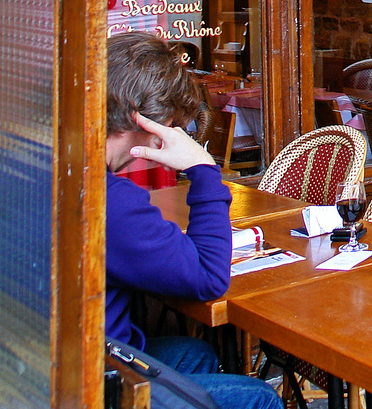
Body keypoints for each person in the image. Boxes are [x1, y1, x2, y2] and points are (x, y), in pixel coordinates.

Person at [105, 32, 281, 409]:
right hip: (90, 381)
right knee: (258, 398)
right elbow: (208, 277)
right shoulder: (105, 201)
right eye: (168, 125)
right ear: (143, 118)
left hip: (40, 358)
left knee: (193, 353)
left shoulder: (46, 163)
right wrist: (202, 169)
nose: (158, 147)